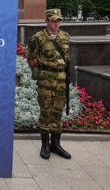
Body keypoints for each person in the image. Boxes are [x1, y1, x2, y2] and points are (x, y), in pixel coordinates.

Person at [27, 9, 71, 159]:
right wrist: (40, 72)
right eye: (53, 20)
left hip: (61, 79)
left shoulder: (65, 37)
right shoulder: (37, 38)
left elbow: (66, 58)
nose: (56, 23)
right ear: (46, 21)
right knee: (46, 111)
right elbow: (31, 59)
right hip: (46, 80)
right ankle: (45, 145)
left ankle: (56, 144)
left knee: (58, 111)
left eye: (58, 20)